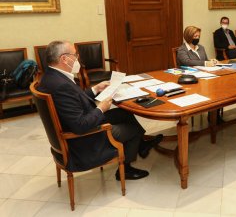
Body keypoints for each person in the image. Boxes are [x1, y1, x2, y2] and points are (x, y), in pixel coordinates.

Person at [38, 41, 163, 180]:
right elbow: (80, 126)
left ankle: (140, 146)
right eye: (75, 55)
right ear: (64, 59)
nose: (77, 59)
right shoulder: (61, 85)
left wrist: (95, 89)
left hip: (78, 123)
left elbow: (74, 100)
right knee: (132, 130)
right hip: (84, 139)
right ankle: (126, 169)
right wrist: (100, 108)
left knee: (124, 113)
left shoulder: (51, 77)